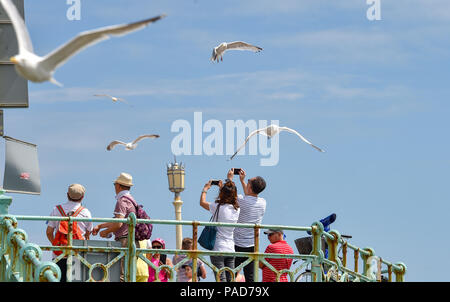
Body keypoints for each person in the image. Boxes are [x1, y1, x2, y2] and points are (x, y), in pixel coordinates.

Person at [92, 172, 139, 282]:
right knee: (129, 274)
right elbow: (119, 219)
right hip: (132, 240)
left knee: (121, 275)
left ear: (118, 185)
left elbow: (118, 224)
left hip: (124, 240)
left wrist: (105, 232)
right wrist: (100, 226)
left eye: (115, 185)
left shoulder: (122, 200)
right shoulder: (131, 199)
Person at [46, 183, 93, 282]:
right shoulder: (86, 213)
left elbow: (49, 232)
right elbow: (88, 234)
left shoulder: (56, 210)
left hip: (59, 255)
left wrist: (56, 245)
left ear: (67, 195)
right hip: (77, 254)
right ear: (82, 197)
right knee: (76, 280)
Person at [228, 168, 266, 282]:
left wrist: (230, 180)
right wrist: (243, 181)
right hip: (253, 245)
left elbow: (230, 195)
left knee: (230, 275)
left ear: (250, 186)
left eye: (249, 180)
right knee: (251, 278)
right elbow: (250, 195)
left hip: (237, 244)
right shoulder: (263, 203)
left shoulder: (241, 200)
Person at [200, 179, 240, 282]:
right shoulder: (237, 209)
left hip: (217, 248)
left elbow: (202, 203)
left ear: (222, 193)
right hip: (231, 249)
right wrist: (224, 188)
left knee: (221, 279)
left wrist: (205, 189)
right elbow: (232, 197)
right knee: (231, 279)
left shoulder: (217, 206)